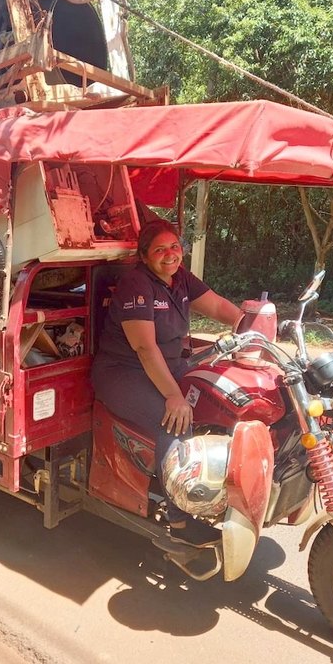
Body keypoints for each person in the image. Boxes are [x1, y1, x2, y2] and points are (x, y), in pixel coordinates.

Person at [91, 219, 242, 547]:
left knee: (215, 400)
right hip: (123, 373)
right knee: (172, 421)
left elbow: (216, 305)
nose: (170, 254)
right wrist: (174, 397)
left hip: (168, 366)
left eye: (174, 246)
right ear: (144, 256)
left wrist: (248, 322)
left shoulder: (180, 279)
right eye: (160, 249)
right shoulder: (136, 285)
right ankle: (180, 521)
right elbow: (145, 348)